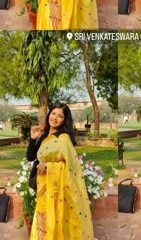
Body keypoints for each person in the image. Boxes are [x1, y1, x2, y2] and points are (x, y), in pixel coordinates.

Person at [27, 102, 94, 239]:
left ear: (65, 120)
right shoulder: (44, 135)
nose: (55, 118)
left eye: (60, 116)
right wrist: (33, 139)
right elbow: (31, 157)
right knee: (43, 221)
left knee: (56, 220)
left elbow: (72, 166)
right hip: (44, 188)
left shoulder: (63, 139)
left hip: (58, 192)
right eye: (53, 113)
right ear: (49, 114)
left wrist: (48, 166)